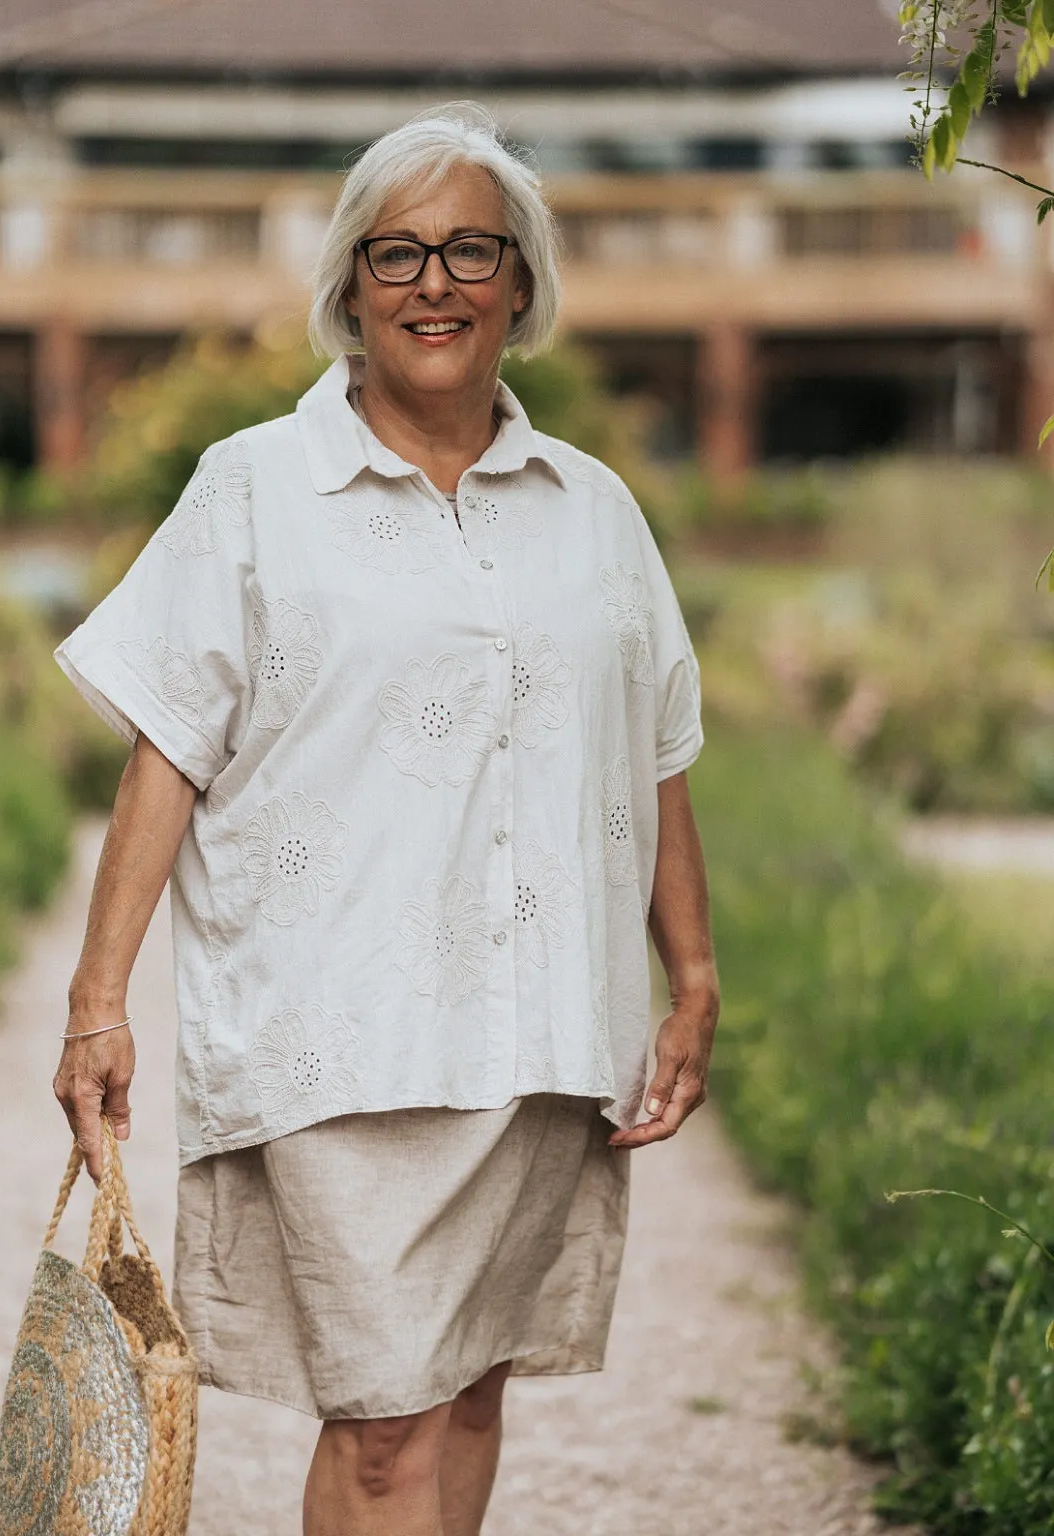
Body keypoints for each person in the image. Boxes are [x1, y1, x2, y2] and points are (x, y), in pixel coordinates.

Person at [52, 104, 720, 1536]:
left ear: (521, 284)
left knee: (470, 1387)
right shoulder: (253, 489)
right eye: (397, 252)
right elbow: (165, 745)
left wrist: (697, 979)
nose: (435, 282)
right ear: (349, 287)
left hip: (544, 1030)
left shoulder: (596, 511)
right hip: (336, 1037)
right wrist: (98, 1003)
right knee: (382, 1429)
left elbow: (654, 753)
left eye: (470, 249)